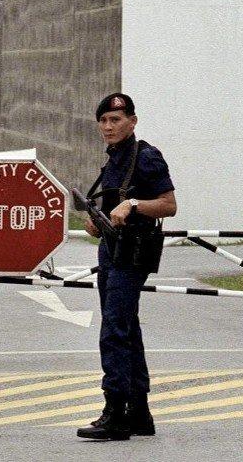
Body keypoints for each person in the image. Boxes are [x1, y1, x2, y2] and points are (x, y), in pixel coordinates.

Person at [77, 93, 177, 441]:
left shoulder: (146, 157)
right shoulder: (114, 159)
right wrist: (96, 222)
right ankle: (139, 412)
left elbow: (168, 205)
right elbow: (111, 208)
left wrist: (132, 205)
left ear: (132, 121)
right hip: (111, 251)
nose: (108, 126)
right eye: (103, 120)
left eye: (116, 120)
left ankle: (115, 413)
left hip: (133, 254)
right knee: (127, 329)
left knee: (114, 329)